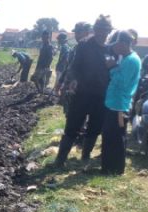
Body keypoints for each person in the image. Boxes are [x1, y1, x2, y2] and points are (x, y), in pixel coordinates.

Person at [52, 15, 113, 169]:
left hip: (101, 96)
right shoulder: (84, 46)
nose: (102, 33)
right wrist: (73, 80)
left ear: (109, 31)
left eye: (105, 30)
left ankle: (85, 156)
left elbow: (114, 72)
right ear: (95, 29)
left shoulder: (110, 49)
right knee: (72, 127)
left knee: (94, 128)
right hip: (82, 94)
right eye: (99, 29)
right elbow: (73, 67)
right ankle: (60, 159)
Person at [99, 30, 140, 175]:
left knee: (116, 137)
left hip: (119, 107)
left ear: (123, 43)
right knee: (109, 136)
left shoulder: (131, 61)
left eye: (115, 44)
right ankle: (107, 167)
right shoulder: (125, 58)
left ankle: (116, 170)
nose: (113, 48)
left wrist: (112, 67)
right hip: (114, 103)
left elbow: (122, 83)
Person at [56, 22, 92, 118]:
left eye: (79, 32)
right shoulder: (74, 49)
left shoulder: (92, 51)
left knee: (81, 115)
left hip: (83, 89)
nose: (77, 35)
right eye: (76, 32)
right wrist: (61, 82)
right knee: (70, 114)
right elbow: (68, 67)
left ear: (87, 33)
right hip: (70, 87)